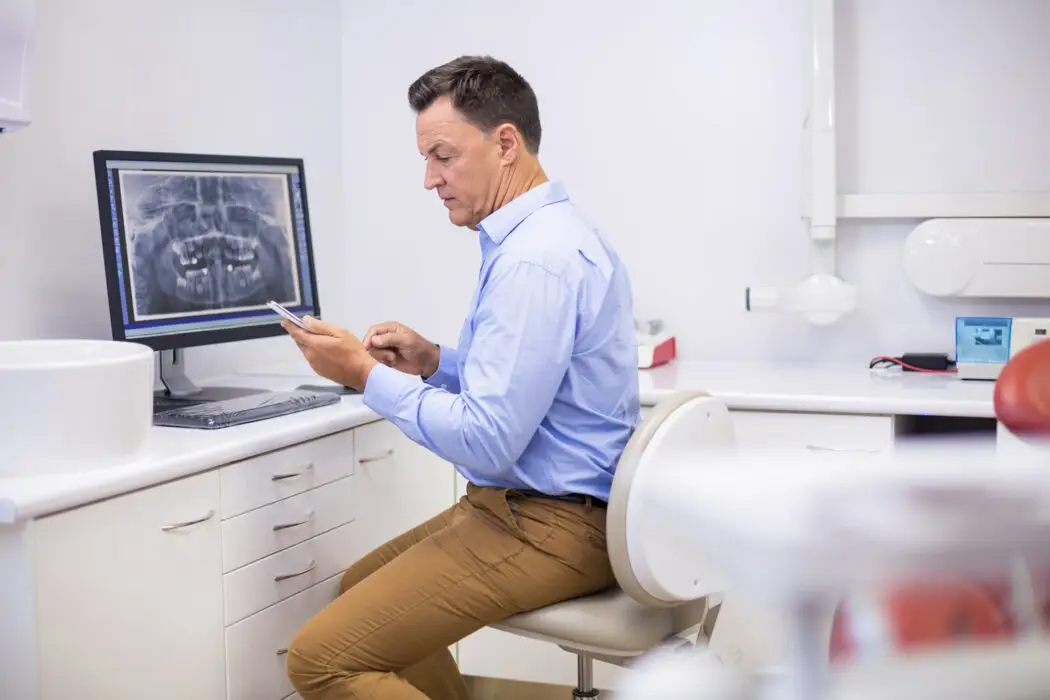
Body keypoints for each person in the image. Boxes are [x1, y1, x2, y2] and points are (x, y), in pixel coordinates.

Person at [280, 54, 640, 700]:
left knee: (319, 659)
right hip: (531, 511)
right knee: (356, 590)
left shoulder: (536, 260)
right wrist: (433, 363)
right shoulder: (541, 237)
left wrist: (365, 375)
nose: (429, 179)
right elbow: (526, 388)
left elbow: (489, 440)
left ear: (505, 143)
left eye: (442, 156)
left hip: (548, 528)